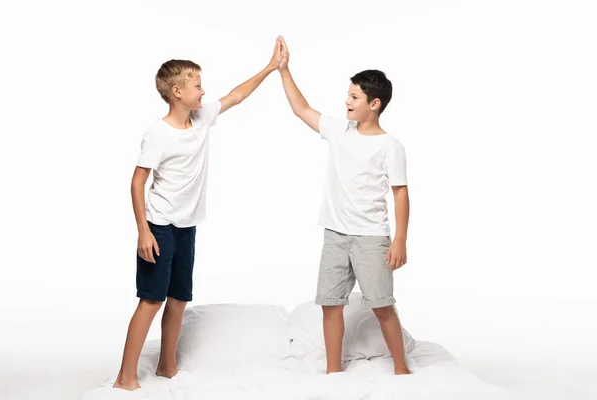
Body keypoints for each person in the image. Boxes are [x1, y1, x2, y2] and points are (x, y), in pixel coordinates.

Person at [113, 37, 284, 390]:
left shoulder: (201, 118)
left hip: (186, 228)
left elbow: (236, 95)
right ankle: (124, 377)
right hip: (159, 227)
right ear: (177, 91)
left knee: (178, 300)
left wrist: (270, 68)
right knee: (151, 301)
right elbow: (136, 183)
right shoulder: (158, 134)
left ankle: (167, 366)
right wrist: (143, 231)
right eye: (197, 86)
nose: (204, 92)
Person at [277, 36, 411, 375]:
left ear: (375, 104)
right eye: (348, 94)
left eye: (354, 97)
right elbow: (301, 109)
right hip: (335, 235)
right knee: (331, 304)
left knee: (382, 306)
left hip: (371, 239)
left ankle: (401, 368)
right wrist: (284, 70)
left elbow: (400, 193)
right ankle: (333, 371)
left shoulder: (390, 146)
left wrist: (400, 240)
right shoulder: (340, 131)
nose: (347, 101)